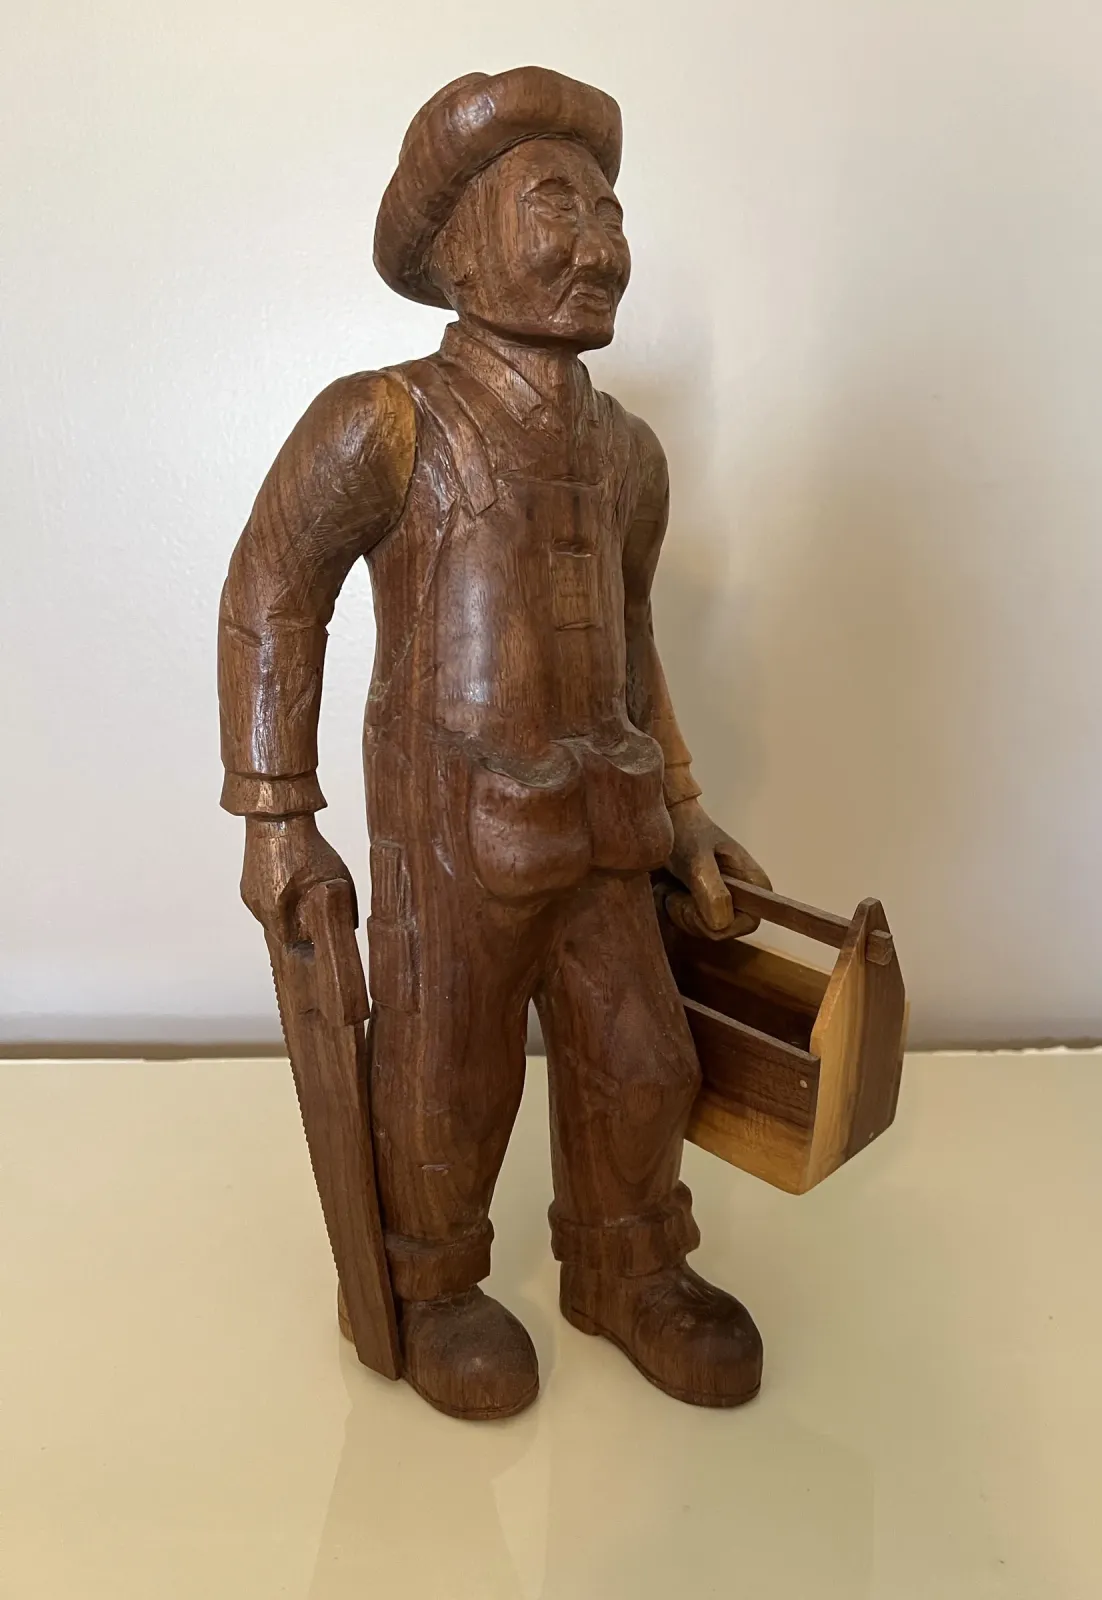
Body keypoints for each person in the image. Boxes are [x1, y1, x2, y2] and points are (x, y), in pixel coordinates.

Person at [218, 66, 771, 1419]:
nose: (598, 245)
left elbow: (633, 642)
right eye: (553, 207)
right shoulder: (387, 421)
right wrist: (278, 816)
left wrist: (684, 804)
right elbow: (272, 592)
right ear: (458, 246)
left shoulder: (629, 457)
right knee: (443, 1073)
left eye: (609, 212)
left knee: (645, 1061)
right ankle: (432, 1286)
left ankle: (629, 1266)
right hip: (452, 836)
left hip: (607, 825)